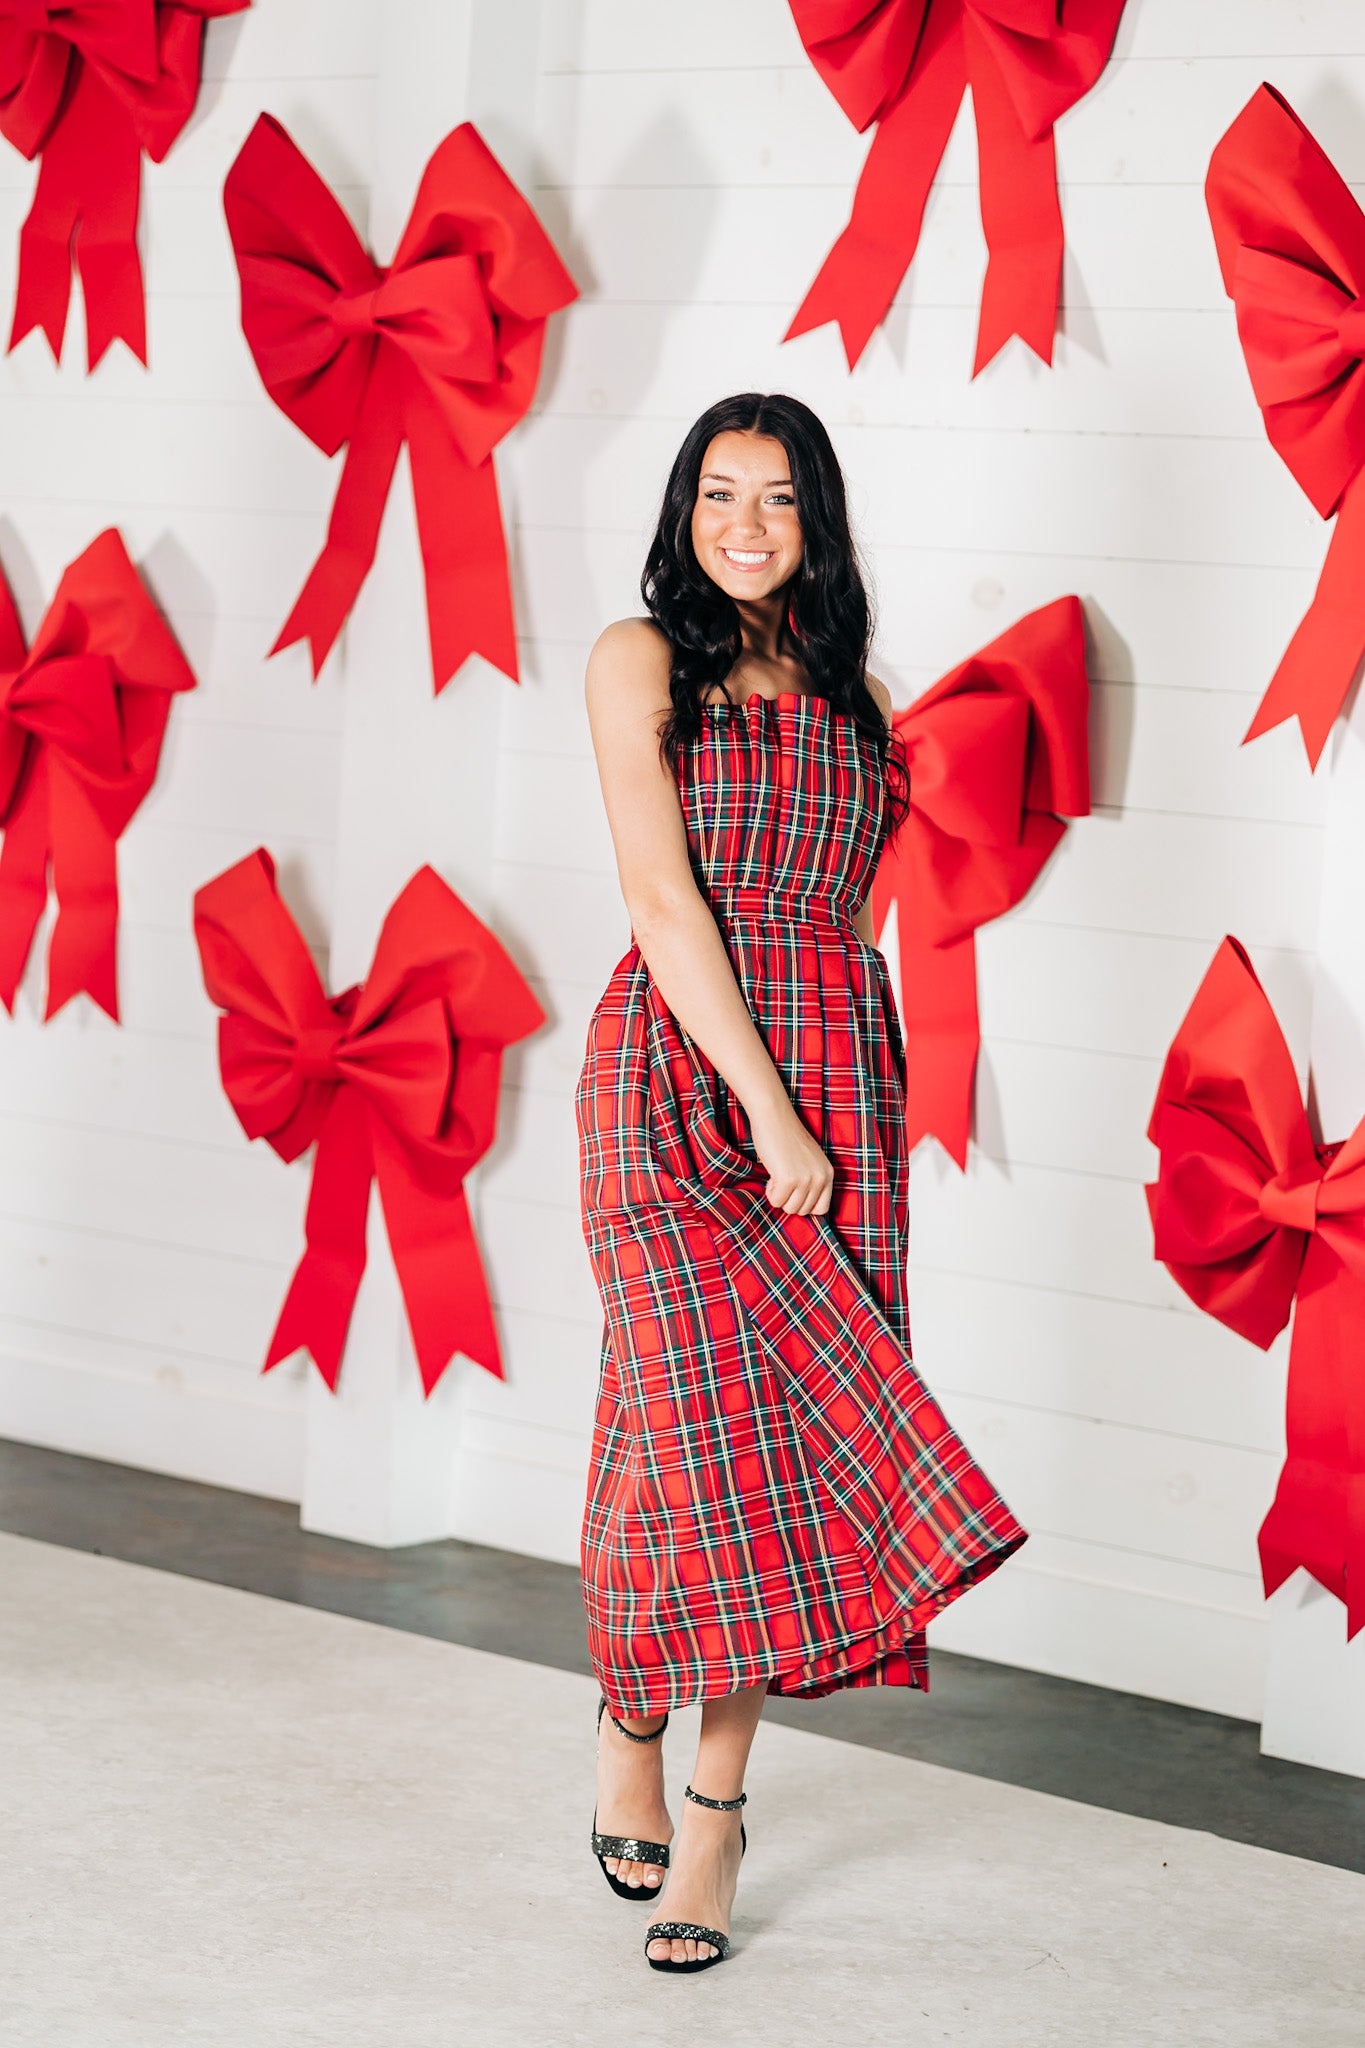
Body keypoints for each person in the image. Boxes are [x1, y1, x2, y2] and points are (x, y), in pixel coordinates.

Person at [574, 393, 1027, 1975]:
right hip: (681, 1062)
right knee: (684, 1422)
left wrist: (823, 1104)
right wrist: (766, 1111)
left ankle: (712, 1808)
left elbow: (864, 905)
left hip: (838, 1050)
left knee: (779, 1450)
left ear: (817, 520)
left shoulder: (862, 694)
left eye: (777, 496)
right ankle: (631, 1701)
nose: (745, 521)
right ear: (683, 507)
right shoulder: (639, 661)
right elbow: (656, 893)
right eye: (718, 492)